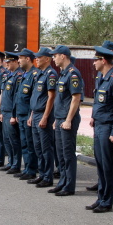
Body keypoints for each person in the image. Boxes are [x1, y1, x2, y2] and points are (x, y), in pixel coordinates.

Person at [86, 44, 113, 213]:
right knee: (100, 164)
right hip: (99, 124)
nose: (93, 63)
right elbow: (98, 101)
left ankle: (107, 201)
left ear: (103, 60)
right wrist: (94, 116)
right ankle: (101, 197)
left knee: (108, 165)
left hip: (108, 126)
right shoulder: (101, 77)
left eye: (95, 60)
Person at [48, 46, 84, 196]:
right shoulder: (62, 74)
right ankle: (62, 181)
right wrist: (57, 119)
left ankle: (69, 186)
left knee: (68, 154)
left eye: (55, 56)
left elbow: (76, 98)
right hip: (60, 118)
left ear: (63, 56)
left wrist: (68, 119)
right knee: (60, 153)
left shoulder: (73, 74)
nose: (53, 58)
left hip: (68, 119)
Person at [27, 47, 58, 188]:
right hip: (36, 113)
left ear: (47, 58)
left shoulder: (51, 74)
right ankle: (42, 174)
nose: (37, 59)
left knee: (46, 148)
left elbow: (51, 97)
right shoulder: (39, 74)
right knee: (38, 147)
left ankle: (48, 176)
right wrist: (32, 115)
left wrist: (45, 117)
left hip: (44, 115)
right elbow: (36, 97)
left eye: (39, 57)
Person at [16, 49, 39, 180]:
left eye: (21, 58)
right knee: (24, 143)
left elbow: (34, 98)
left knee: (30, 144)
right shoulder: (24, 74)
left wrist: (31, 115)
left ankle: (32, 169)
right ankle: (27, 168)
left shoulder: (34, 75)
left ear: (28, 59)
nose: (19, 60)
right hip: (22, 114)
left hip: (29, 114)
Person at [0, 51, 23, 174]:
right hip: (5, 111)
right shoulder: (9, 75)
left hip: (12, 113)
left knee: (14, 140)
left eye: (8, 62)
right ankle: (10, 162)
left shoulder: (19, 76)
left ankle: (16, 164)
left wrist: (13, 115)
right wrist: (1, 110)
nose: (6, 64)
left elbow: (16, 98)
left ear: (14, 62)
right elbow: (5, 95)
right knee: (7, 139)